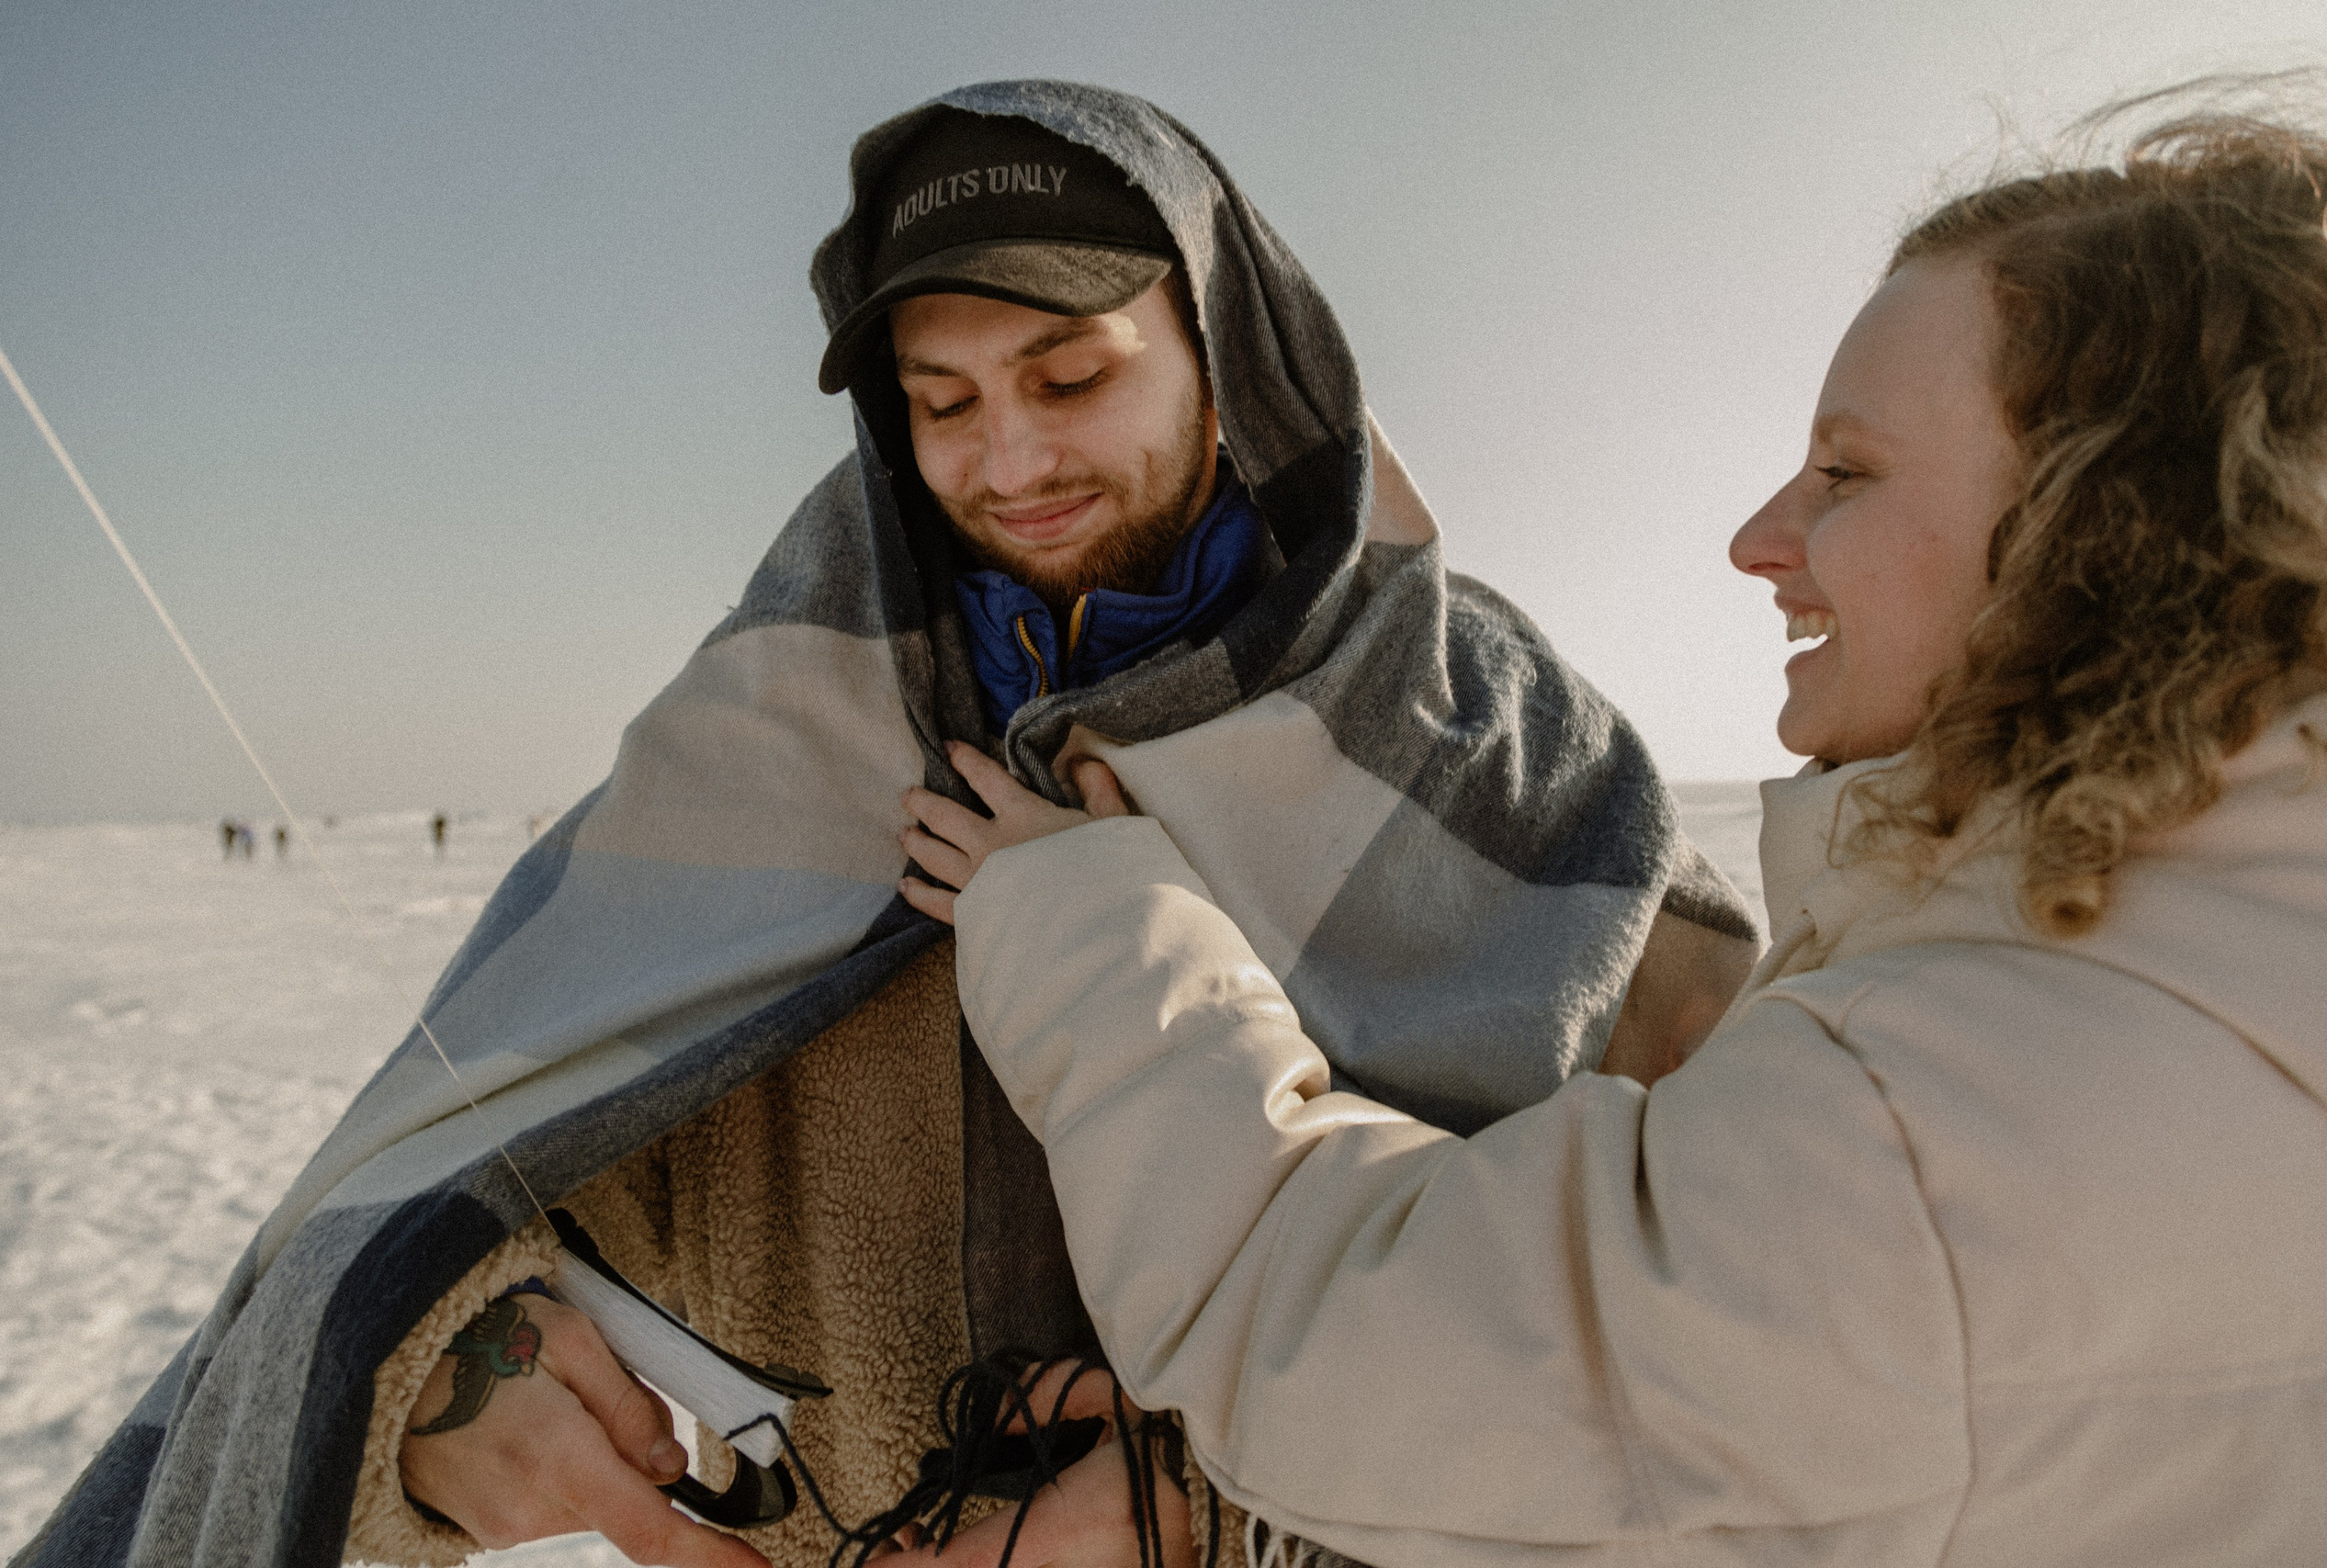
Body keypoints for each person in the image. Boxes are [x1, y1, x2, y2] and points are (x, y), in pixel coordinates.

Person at [25, 84, 1752, 1568]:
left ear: (1235, 359)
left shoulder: (1480, 736)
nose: (1008, 463)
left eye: (1071, 377)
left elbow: (1707, 1301)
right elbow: (426, 1195)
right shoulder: (788, 722)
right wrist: (441, 1410)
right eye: (943, 403)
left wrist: (1211, 1522)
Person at [902, 99, 2327, 1564]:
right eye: (943, 404)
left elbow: (1329, 1349)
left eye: (1849, 473)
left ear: (2114, 520)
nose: (1760, 536)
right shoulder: (2215, 945)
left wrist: (1086, 921)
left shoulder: (1946, 1140)